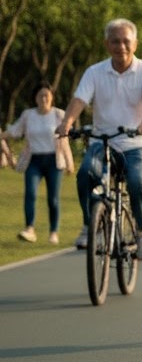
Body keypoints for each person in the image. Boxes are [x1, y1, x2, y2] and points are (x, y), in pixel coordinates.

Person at [57, 18, 142, 261]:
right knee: (86, 174)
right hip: (102, 140)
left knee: (137, 180)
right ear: (107, 44)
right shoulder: (94, 72)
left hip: (137, 142)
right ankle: (89, 225)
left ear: (135, 44)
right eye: (115, 41)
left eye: (126, 41)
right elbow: (79, 100)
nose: (121, 46)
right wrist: (67, 123)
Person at [2, 84, 73, 244]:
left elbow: (65, 140)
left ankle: (53, 232)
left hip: (54, 160)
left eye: (46, 95)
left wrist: (69, 162)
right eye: (40, 95)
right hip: (34, 160)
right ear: (35, 98)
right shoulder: (28, 115)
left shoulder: (58, 115)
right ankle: (29, 229)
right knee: (30, 194)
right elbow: (15, 130)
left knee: (53, 198)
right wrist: (2, 136)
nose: (43, 99)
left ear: (51, 97)